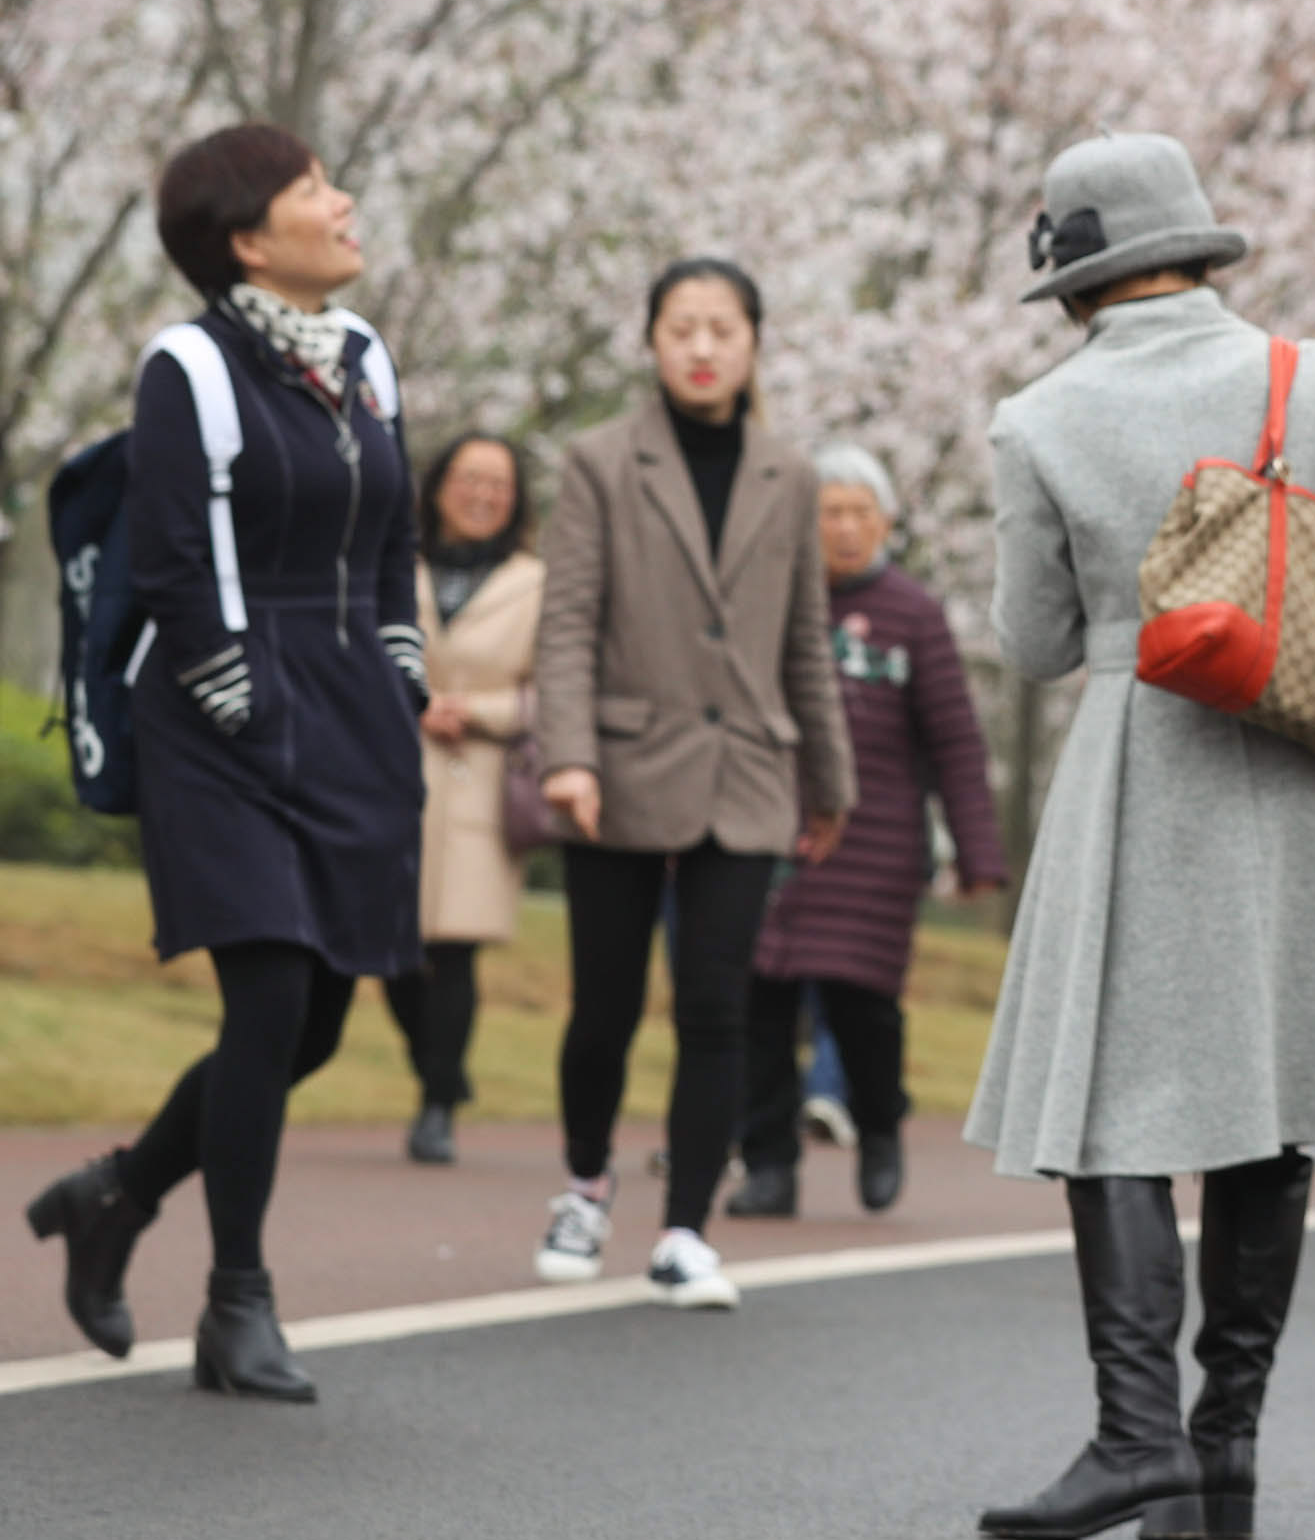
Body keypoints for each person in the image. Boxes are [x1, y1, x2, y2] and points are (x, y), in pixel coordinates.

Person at [966, 134, 1315, 1540]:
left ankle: (1134, 1437)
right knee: (1272, 1104)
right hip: (1309, 760)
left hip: (1144, 763)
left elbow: (1036, 639)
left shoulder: (1039, 417)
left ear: (1078, 274)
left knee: (1108, 1098)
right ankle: (1220, 1444)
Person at [24, 127, 424, 1403]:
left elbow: (392, 533)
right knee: (264, 997)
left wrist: (400, 666)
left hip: (352, 706)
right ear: (249, 238)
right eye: (316, 190)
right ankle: (236, 1302)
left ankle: (117, 1195)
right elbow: (174, 560)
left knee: (309, 1028)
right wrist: (246, 704)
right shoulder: (187, 367)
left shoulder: (364, 356)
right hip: (224, 716)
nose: (345, 202)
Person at [527, 258, 855, 1308]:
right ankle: (584, 1186)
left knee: (720, 1009)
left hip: (748, 771)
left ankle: (685, 1231)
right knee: (607, 1004)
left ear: (754, 342)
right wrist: (566, 753)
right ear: (653, 343)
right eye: (682, 328)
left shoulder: (789, 476)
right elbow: (566, 620)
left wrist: (829, 780)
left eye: (722, 328)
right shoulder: (599, 463)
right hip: (617, 768)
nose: (702, 347)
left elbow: (805, 638)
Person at [726, 445, 1008, 1220]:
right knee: (763, 1003)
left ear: (884, 523)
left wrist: (977, 851)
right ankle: (769, 1163)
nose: (845, 530)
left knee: (863, 1007)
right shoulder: (770, 599)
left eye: (860, 514)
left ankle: (881, 1122)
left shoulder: (914, 615)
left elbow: (954, 738)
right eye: (830, 514)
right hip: (774, 831)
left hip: (877, 845)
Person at [387, 433, 543, 1164]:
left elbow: (550, 690)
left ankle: (438, 1102)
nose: (482, 495)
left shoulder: (536, 582)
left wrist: (475, 712)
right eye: (469, 479)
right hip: (394, 770)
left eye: (498, 484)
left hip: (478, 779)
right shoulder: (393, 562)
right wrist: (412, 702)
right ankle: (439, 1068)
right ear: (439, 485)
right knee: (391, 946)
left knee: (453, 950)